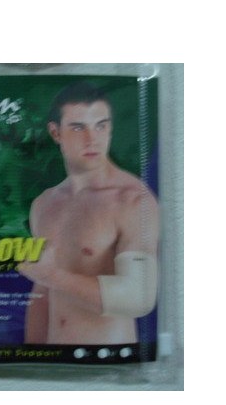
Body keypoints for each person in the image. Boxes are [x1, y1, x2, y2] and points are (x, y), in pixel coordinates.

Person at [16, 82, 159, 344]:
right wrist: (32, 355)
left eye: (101, 126)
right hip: (52, 356)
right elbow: (42, 292)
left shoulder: (132, 200)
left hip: (108, 360)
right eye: (78, 127)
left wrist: (53, 276)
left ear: (110, 128)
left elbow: (138, 297)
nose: (92, 139)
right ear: (55, 132)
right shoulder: (44, 203)